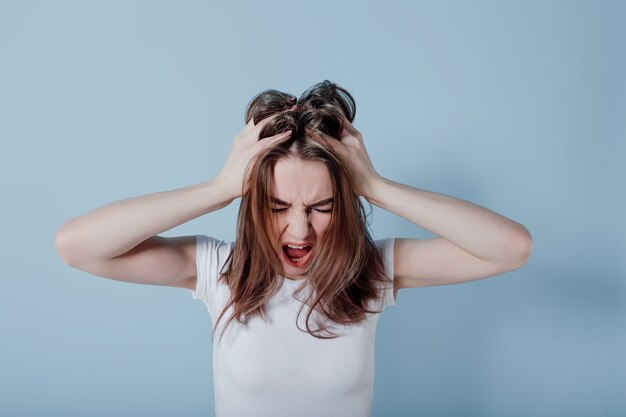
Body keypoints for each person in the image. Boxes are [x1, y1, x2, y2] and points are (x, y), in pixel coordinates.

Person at [55, 80, 533, 417]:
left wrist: (376, 185)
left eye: (322, 206)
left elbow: (511, 248)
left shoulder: (371, 272)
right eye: (278, 205)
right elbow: (77, 246)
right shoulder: (218, 269)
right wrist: (220, 186)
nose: (299, 230)